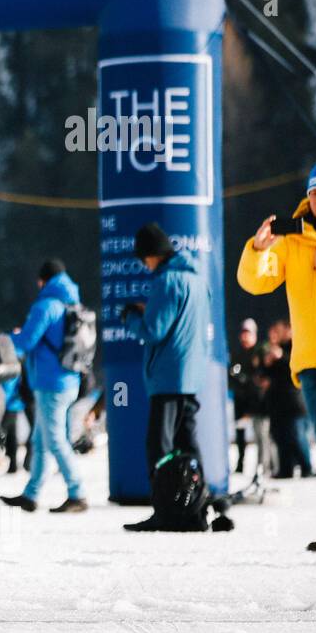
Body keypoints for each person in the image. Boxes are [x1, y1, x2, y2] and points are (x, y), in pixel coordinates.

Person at [122, 222, 214, 531]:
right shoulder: (199, 281)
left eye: (143, 258)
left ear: (152, 254)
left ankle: (164, 511)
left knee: (159, 447)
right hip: (191, 374)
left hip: (167, 376)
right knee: (188, 445)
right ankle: (198, 509)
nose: (144, 265)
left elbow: (154, 330)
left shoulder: (166, 282)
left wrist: (132, 316)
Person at [237, 159, 316, 455]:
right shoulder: (294, 240)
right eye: (314, 192)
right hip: (312, 362)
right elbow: (256, 282)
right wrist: (258, 250)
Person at [1, 260, 87, 513]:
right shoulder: (72, 302)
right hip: (68, 379)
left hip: (51, 383)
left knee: (56, 440)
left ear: (43, 280)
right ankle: (31, 494)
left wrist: (7, 338)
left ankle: (77, 492)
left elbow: (27, 341)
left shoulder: (46, 305)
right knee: (40, 439)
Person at [263, 320, 314, 478]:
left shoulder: (295, 346)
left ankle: (306, 467)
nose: (276, 334)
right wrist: (268, 363)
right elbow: (268, 375)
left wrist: (281, 357)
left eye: (279, 330)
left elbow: (295, 367)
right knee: (280, 437)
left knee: (296, 436)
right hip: (278, 403)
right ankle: (286, 469)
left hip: (293, 402)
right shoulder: (274, 349)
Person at [228, 318, 270, 477]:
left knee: (262, 435)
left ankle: (264, 466)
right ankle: (240, 463)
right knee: (240, 432)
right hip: (241, 399)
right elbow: (232, 375)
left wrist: (249, 380)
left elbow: (261, 376)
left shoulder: (260, 351)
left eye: (249, 333)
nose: (245, 337)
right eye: (243, 333)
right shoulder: (237, 354)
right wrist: (241, 379)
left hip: (257, 401)